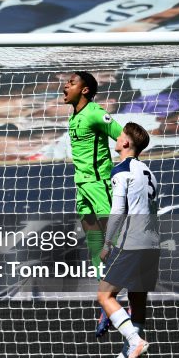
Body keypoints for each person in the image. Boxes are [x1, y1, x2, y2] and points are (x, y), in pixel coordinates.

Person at [62, 72, 124, 333]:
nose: (65, 85)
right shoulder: (74, 115)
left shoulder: (96, 113)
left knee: (114, 245)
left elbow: (124, 137)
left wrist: (124, 169)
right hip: (82, 186)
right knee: (95, 247)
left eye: (71, 83)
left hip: (99, 186)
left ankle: (121, 302)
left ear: (85, 90)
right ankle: (107, 304)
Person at [98, 123, 160, 358]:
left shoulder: (121, 171)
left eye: (120, 135)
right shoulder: (149, 172)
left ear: (125, 143)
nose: (117, 138)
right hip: (152, 243)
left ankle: (135, 341)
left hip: (132, 241)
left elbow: (118, 211)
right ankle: (127, 356)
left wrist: (107, 243)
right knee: (137, 299)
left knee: (104, 295)